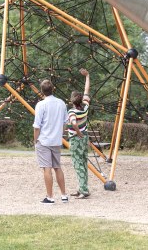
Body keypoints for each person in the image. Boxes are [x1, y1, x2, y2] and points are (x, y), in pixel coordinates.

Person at [33, 79, 69, 204]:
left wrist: (35, 140)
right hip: (56, 140)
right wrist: (60, 134)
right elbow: (65, 122)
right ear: (53, 89)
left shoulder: (41, 105)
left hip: (44, 140)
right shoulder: (61, 103)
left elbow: (37, 126)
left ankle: (50, 197)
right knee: (57, 167)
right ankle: (64, 195)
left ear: (41, 91)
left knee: (46, 168)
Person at [68, 68, 91, 199]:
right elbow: (87, 90)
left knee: (78, 164)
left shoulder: (72, 112)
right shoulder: (85, 107)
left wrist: (77, 132)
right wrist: (87, 76)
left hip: (76, 139)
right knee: (83, 162)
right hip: (84, 138)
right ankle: (82, 187)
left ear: (72, 101)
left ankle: (83, 190)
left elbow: (73, 123)